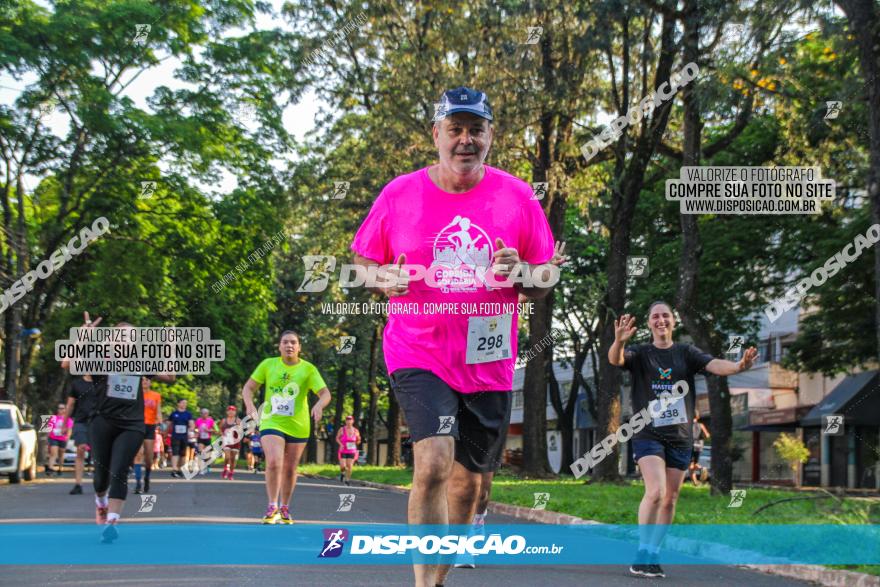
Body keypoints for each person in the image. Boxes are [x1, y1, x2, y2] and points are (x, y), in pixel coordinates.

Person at [351, 86, 559, 587]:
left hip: (487, 358)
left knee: (470, 490)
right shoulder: (399, 193)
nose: (465, 140)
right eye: (455, 129)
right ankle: (424, 584)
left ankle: (439, 576)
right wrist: (382, 279)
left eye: (476, 129)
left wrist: (521, 274)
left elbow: (543, 280)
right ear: (436, 135)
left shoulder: (518, 196)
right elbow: (360, 265)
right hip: (417, 348)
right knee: (434, 462)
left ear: (490, 136)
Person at [609, 301, 757, 579]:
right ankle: (641, 551)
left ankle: (653, 553)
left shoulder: (686, 353)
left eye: (665, 315)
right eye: (655, 316)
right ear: (650, 323)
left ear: (673, 321)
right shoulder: (641, 353)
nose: (661, 320)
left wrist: (738, 366)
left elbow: (714, 364)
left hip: (679, 437)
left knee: (671, 498)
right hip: (648, 433)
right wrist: (618, 341)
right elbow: (615, 360)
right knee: (656, 491)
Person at [61, 313, 175, 528]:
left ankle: (112, 523)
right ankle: (101, 502)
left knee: (120, 470)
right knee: (100, 478)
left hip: (132, 425)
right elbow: (67, 363)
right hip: (101, 422)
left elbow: (170, 376)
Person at [242, 331, 331, 525]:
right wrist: (249, 405)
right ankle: (272, 505)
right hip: (272, 421)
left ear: (299, 347)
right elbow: (248, 388)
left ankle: (285, 507)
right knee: (274, 461)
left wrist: (318, 405)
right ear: (279, 346)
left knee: (290, 469)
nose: (289, 345)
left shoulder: (308, 369)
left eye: (293, 342)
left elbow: (325, 393)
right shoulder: (268, 364)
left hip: (298, 425)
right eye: (285, 342)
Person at [64, 375, 97, 494]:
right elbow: (70, 404)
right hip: (81, 421)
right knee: (81, 449)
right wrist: (64, 423)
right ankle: (78, 484)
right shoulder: (76, 384)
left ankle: (100, 482)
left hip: (98, 422)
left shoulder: (103, 382)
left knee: (98, 453)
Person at [138, 378, 161, 492]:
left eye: (147, 380)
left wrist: (159, 421)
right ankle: (138, 482)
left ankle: (147, 476)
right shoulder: (135, 394)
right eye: (142, 380)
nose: (145, 382)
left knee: (148, 457)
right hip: (137, 424)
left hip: (150, 426)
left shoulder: (155, 395)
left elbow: (158, 411)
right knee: (138, 454)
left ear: (151, 382)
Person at [166, 399, 194, 478]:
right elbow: (169, 424)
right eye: (183, 403)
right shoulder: (174, 414)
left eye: (185, 403)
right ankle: (174, 469)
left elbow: (192, 424)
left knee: (183, 454)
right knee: (175, 452)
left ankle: (181, 469)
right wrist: (166, 433)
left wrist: (191, 429)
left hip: (184, 437)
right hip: (175, 436)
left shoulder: (188, 414)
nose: (184, 404)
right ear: (178, 404)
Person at [46, 403, 72, 476]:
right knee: (53, 453)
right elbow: (48, 428)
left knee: (61, 454)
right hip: (53, 437)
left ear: (65, 409)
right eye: (59, 408)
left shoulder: (68, 419)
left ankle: (60, 468)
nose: (60, 410)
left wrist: (67, 437)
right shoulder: (53, 418)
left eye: (62, 408)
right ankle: (50, 469)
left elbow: (69, 429)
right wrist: (47, 438)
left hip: (63, 438)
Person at [335, 415, 361, 485]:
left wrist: (358, 440)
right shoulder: (341, 429)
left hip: (352, 450)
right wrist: (341, 444)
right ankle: (342, 473)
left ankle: (347, 480)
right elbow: (337, 438)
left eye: (350, 420)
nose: (349, 422)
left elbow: (358, 441)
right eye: (347, 420)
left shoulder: (356, 430)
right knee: (343, 465)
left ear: (353, 421)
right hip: (343, 449)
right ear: (345, 421)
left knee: (349, 465)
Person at [219, 406, 242, 480]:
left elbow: (241, 431)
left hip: (235, 442)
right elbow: (220, 430)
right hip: (227, 441)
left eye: (233, 410)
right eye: (229, 410)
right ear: (227, 412)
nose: (231, 412)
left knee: (232, 459)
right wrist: (222, 436)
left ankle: (231, 473)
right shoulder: (224, 420)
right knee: (227, 456)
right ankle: (225, 469)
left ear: (235, 412)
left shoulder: (238, 420)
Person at [689, 410, 710, 485]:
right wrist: (701, 437)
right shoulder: (701, 425)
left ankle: (700, 469)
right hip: (699, 446)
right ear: (698, 417)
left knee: (691, 466)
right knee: (693, 465)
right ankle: (695, 483)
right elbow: (707, 435)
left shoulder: (688, 425)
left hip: (690, 446)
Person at [194, 408, 217, 474]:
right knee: (200, 452)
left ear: (208, 414)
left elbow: (216, 430)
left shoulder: (211, 421)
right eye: (203, 413)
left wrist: (209, 430)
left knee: (207, 454)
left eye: (206, 413)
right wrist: (196, 431)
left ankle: (208, 466)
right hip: (200, 438)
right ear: (201, 414)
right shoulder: (198, 420)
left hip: (208, 438)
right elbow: (195, 428)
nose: (204, 414)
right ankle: (201, 467)